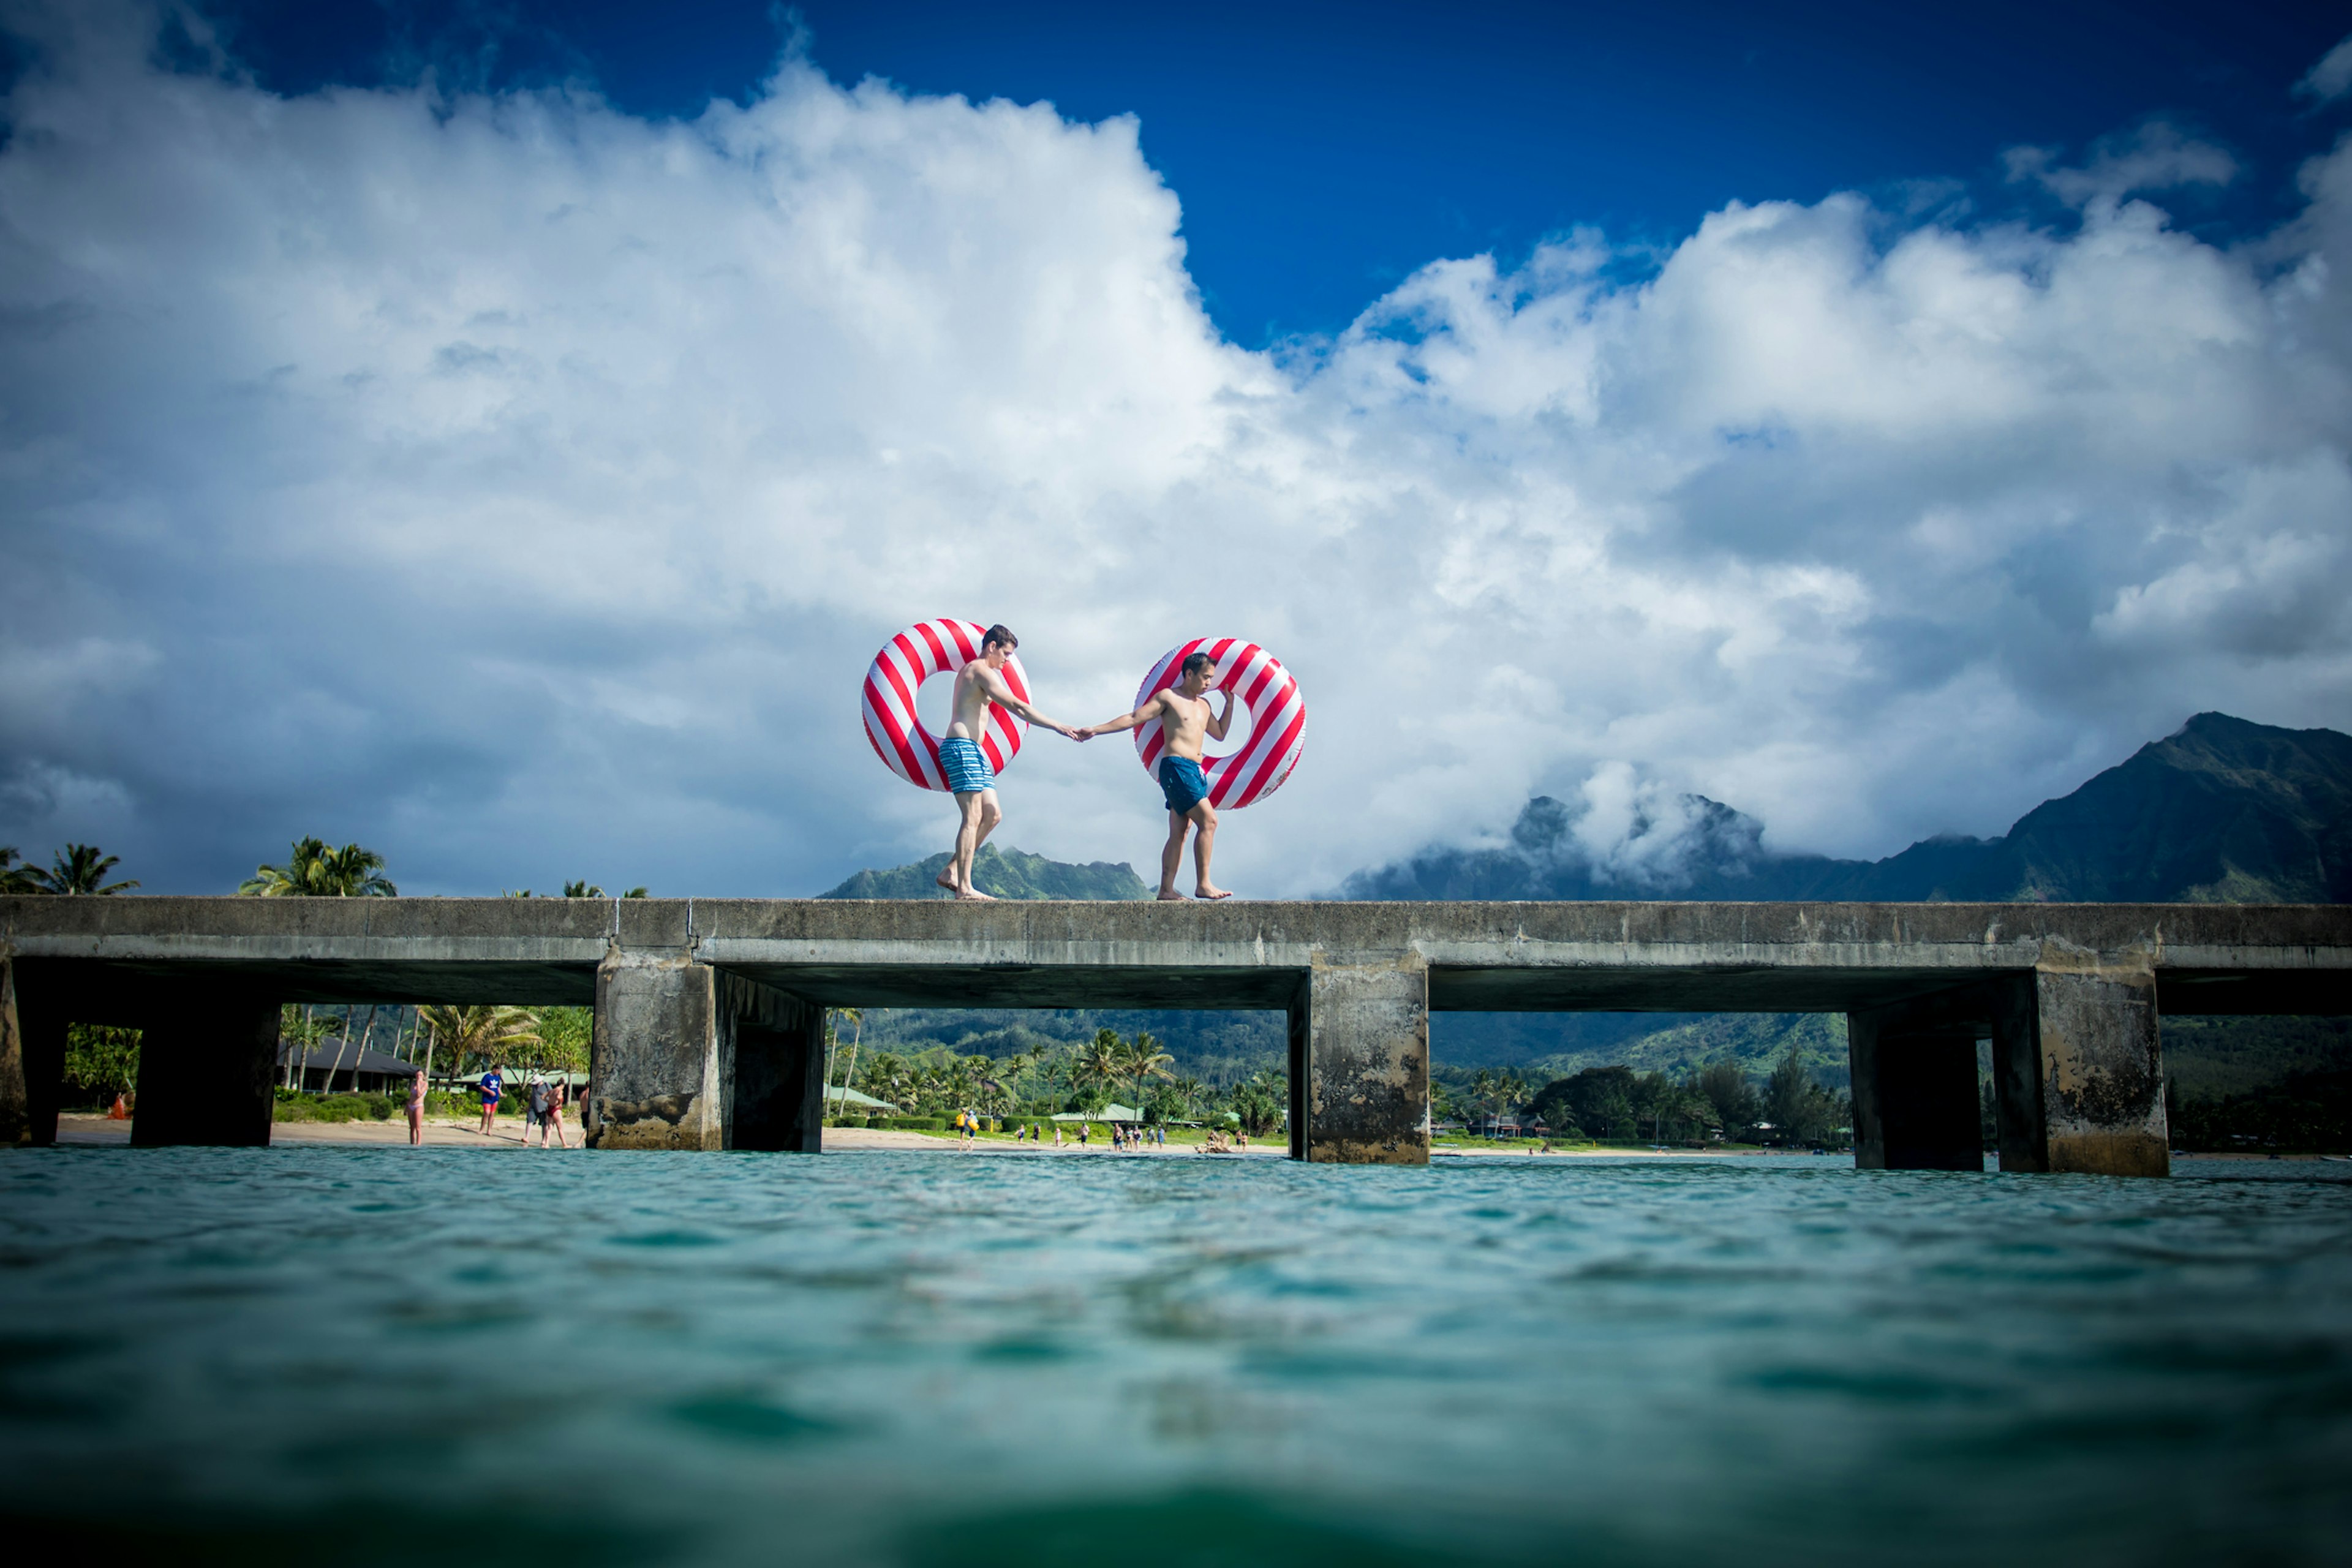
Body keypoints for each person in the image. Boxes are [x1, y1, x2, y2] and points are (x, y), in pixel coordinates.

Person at [934, 625, 1085, 900]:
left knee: (992, 815)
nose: (1007, 660)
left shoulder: (982, 672)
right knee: (973, 816)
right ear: (991, 646)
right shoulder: (979, 669)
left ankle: (952, 871)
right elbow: (1017, 706)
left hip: (975, 751)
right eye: (1005, 653)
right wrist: (1057, 725)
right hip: (961, 746)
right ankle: (964, 889)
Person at [1077, 650, 1235, 900]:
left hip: (1195, 771)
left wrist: (1229, 704)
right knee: (1210, 821)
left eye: (1211, 679)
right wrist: (1096, 729)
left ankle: (1166, 890)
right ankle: (1203, 884)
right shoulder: (1169, 697)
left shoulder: (1205, 706)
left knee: (1180, 831)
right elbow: (1134, 718)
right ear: (1189, 673)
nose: (1208, 683)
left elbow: (1220, 733)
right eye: (1205, 677)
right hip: (1176, 767)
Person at [477, 1063, 505, 1136]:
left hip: (495, 1098)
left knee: (492, 1114)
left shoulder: (498, 1078)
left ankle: (489, 1130)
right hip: (487, 1098)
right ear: (494, 1069)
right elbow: (482, 1087)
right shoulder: (487, 1077)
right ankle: (482, 1129)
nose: (499, 1073)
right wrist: (489, 1091)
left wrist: (501, 1094)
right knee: (487, 1112)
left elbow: (498, 1087)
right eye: (498, 1071)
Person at [526, 1075, 553, 1148]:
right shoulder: (534, 1087)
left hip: (544, 1108)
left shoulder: (547, 1086)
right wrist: (529, 1106)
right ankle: (527, 1137)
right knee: (530, 1121)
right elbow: (532, 1097)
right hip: (533, 1107)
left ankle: (544, 1140)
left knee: (544, 1124)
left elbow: (551, 1094)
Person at [545, 1080, 571, 1150]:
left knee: (550, 1128)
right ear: (562, 1085)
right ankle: (564, 1144)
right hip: (556, 1109)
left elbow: (543, 1097)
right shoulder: (560, 1091)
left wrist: (549, 1102)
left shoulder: (551, 1091)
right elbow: (559, 1097)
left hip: (550, 1108)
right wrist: (559, 1103)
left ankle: (546, 1143)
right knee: (560, 1128)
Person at [405, 1069, 426, 1147]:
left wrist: (418, 1083)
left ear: (423, 1076)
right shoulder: (412, 1084)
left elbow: (419, 1094)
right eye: (417, 1075)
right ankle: (412, 1144)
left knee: (418, 1127)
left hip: (419, 1106)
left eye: (420, 1075)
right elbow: (411, 1096)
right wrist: (406, 1107)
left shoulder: (425, 1084)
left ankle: (418, 1144)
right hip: (411, 1106)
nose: (419, 1077)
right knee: (412, 1128)